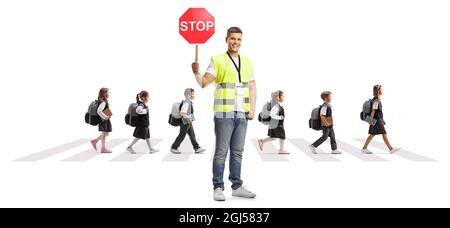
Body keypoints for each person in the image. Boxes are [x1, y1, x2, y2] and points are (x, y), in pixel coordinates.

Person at [191, 26, 257, 201]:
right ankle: (218, 187)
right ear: (226, 39)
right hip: (223, 112)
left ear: (241, 41)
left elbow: (251, 86)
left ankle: (236, 186)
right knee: (221, 150)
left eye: (238, 39)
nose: (235, 42)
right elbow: (204, 83)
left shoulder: (248, 62)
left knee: (237, 151)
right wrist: (196, 72)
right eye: (232, 38)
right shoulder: (218, 60)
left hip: (242, 112)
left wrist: (252, 108)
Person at [361, 85, 401, 154]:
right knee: (383, 133)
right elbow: (373, 111)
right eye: (381, 90)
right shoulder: (376, 101)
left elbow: (379, 111)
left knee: (372, 134)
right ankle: (391, 149)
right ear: (378, 91)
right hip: (376, 120)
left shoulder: (377, 100)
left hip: (377, 120)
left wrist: (383, 119)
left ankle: (364, 148)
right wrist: (371, 120)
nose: (383, 91)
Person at [170, 88, 206, 154]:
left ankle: (197, 148)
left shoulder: (188, 102)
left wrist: (189, 120)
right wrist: (189, 119)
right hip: (185, 122)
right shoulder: (187, 103)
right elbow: (182, 113)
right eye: (192, 94)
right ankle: (174, 147)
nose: (194, 95)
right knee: (182, 135)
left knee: (192, 135)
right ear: (188, 95)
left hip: (188, 122)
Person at [90, 88, 113, 153]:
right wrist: (105, 117)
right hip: (103, 120)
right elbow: (99, 111)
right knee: (104, 133)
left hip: (104, 120)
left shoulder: (103, 100)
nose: (109, 94)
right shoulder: (103, 102)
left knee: (106, 133)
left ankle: (95, 141)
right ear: (104, 93)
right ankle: (103, 148)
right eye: (107, 92)